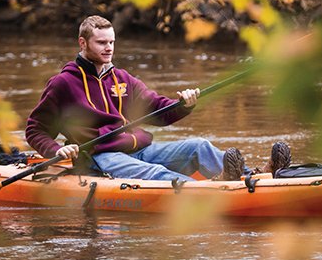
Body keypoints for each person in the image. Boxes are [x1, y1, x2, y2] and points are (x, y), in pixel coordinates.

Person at [25, 15, 291, 182]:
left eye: (112, 42)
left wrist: (186, 104)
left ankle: (250, 177)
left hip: (140, 148)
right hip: (100, 156)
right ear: (82, 44)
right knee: (157, 176)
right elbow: (35, 129)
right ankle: (210, 192)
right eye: (101, 43)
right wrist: (56, 150)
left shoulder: (123, 78)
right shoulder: (63, 83)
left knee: (199, 145)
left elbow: (159, 110)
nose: (108, 49)